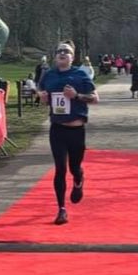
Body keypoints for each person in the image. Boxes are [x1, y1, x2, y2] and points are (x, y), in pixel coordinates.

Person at [39, 40, 99, 225]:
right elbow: (43, 96)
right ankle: (61, 210)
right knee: (60, 168)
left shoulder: (80, 74)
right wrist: (42, 98)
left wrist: (77, 96)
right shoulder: (48, 75)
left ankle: (79, 180)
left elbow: (95, 99)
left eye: (66, 52)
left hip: (76, 129)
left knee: (74, 168)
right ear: (55, 56)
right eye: (59, 51)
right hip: (57, 129)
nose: (62, 54)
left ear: (72, 57)